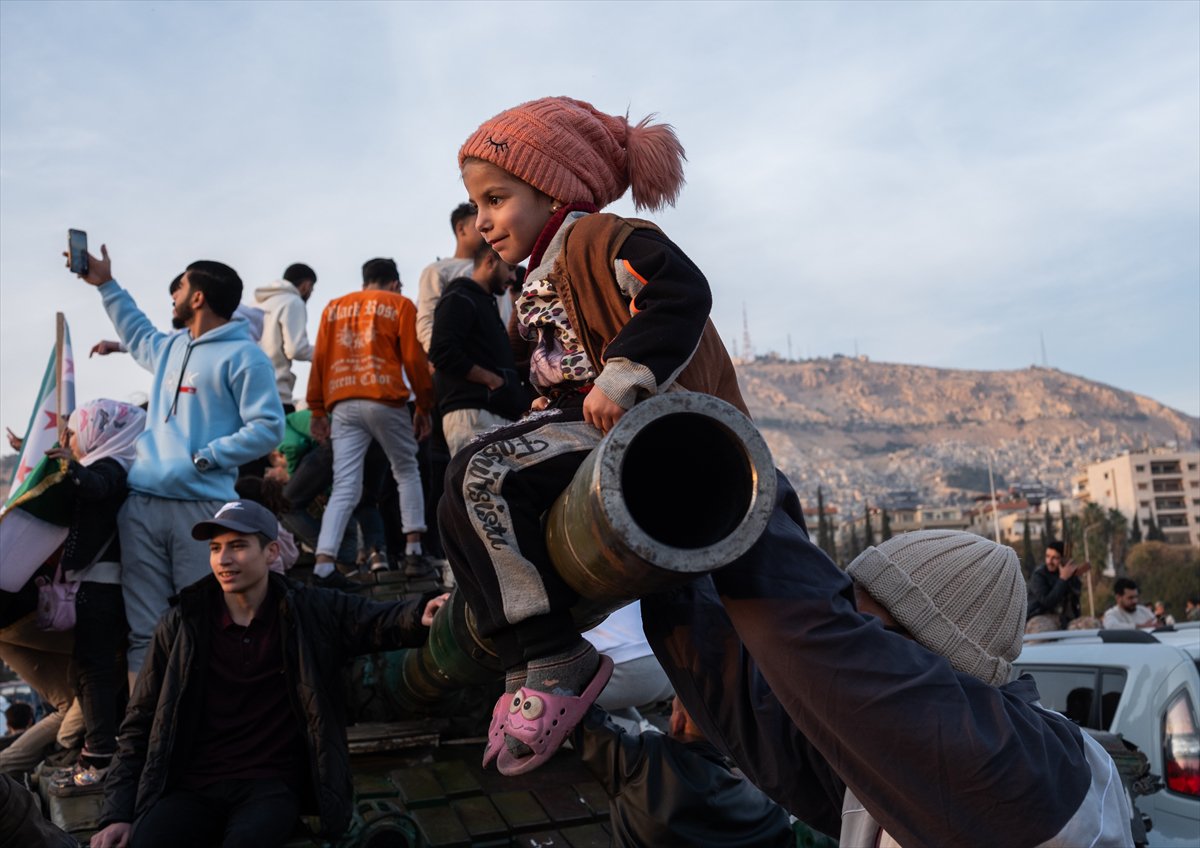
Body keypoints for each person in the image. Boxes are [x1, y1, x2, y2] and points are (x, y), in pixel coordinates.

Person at [440, 96, 744, 775]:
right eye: (476, 205)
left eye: (496, 198)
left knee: (480, 475)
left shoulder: (600, 239)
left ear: (552, 191)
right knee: (469, 484)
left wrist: (625, 371)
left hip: (630, 427)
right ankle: (527, 659)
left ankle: (556, 655)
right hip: (578, 424)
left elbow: (679, 288)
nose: (482, 221)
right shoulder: (535, 279)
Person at [643, 530, 1135, 847]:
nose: (850, 647)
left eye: (864, 631)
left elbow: (807, 634)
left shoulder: (1036, 764)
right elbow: (742, 693)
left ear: (932, 656)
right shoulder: (887, 759)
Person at [89, 500, 448, 848]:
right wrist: (116, 815)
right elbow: (140, 723)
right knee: (151, 838)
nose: (224, 559)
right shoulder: (182, 623)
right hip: (193, 785)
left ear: (272, 552)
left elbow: (374, 619)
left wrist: (421, 612)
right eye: (216, 548)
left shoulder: (309, 610)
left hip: (270, 785)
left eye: (238, 546)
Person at [69, 247, 285, 679]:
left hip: (201, 512)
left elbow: (267, 427)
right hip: (143, 504)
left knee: (200, 622)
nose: (173, 294)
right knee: (144, 632)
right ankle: (145, 740)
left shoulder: (246, 357)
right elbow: (136, 329)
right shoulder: (169, 348)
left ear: (200, 296)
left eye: (180, 286)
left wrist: (206, 457)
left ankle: (202, 734)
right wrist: (106, 285)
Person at [307, 258, 435, 581]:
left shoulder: (333, 308)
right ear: (394, 283)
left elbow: (320, 358)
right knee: (406, 470)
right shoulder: (399, 304)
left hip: (342, 401)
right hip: (384, 398)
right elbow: (413, 360)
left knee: (345, 486)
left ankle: (323, 563)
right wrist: (423, 405)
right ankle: (414, 552)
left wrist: (316, 408)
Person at [45, 399, 147, 787]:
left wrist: (70, 469)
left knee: (94, 671)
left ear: (95, 432)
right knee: (93, 671)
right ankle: (104, 748)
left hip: (102, 586)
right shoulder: (123, 464)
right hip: (108, 584)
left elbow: (96, 486)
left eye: (73, 432)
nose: (69, 440)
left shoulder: (109, 468)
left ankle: (100, 756)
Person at [428, 242, 526, 455]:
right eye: (509, 269)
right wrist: (492, 381)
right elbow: (441, 351)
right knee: (478, 486)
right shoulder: (460, 297)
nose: (513, 278)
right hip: (474, 414)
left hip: (491, 414)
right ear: (490, 261)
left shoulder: (484, 302)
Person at [415, 202, 488, 352]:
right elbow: (426, 321)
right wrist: (442, 358)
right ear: (461, 229)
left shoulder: (499, 268)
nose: (484, 226)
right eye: (478, 221)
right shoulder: (438, 270)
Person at [254, 263, 317, 413]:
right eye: (312, 288)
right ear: (306, 286)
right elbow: (296, 349)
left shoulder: (257, 303)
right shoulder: (293, 302)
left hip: (249, 388)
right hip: (275, 391)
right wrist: (330, 354)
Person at [1027, 541, 1088, 629]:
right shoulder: (1039, 575)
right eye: (1047, 556)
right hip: (1040, 618)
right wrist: (1063, 579)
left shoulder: (1069, 575)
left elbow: (1075, 597)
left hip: (1064, 619)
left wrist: (1072, 576)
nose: (1049, 561)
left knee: (1090, 625)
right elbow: (1047, 601)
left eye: (1055, 558)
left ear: (1063, 559)